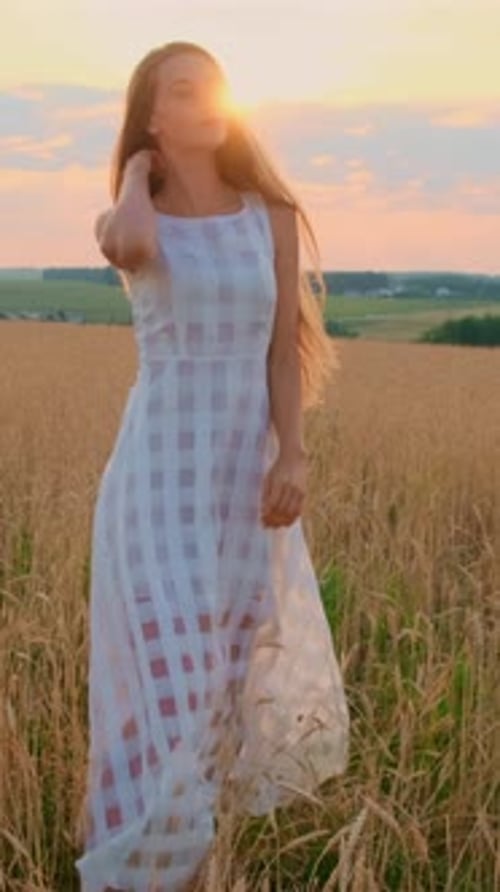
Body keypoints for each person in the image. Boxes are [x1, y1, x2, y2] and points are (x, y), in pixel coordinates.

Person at [74, 40, 349, 892]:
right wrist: (135, 172)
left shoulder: (268, 214)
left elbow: (280, 354)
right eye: (184, 91)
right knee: (160, 694)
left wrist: (293, 457)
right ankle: (118, 873)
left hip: (239, 489)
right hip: (154, 486)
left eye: (212, 88)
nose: (207, 101)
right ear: (153, 115)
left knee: (215, 713)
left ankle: (189, 879)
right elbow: (125, 247)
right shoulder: (132, 215)